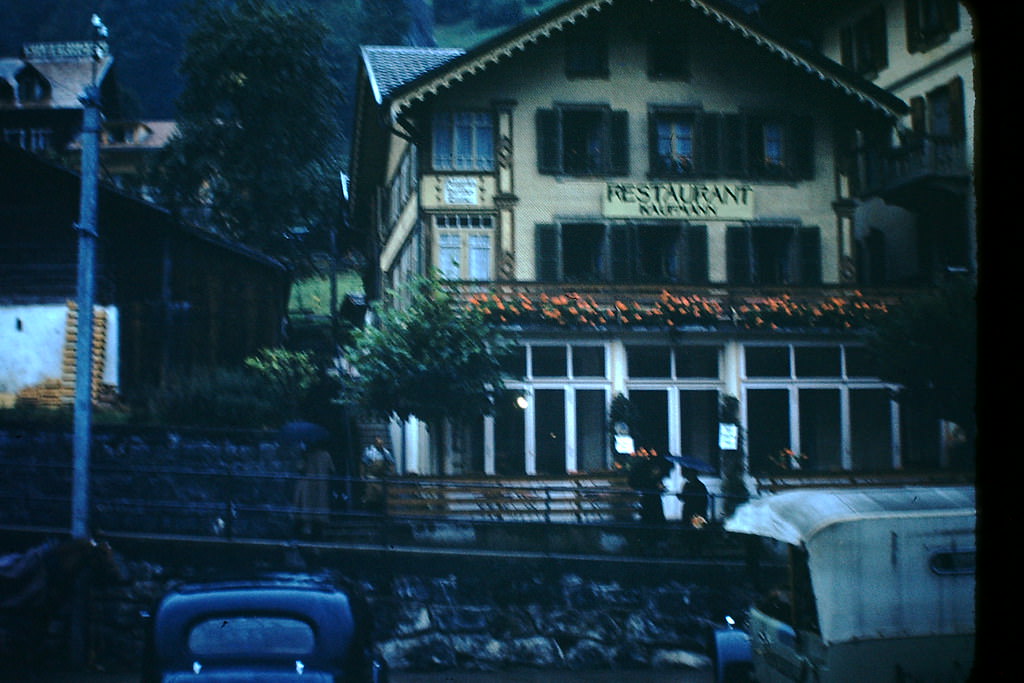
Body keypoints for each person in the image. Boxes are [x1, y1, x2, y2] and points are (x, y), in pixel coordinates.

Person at [292, 441, 335, 539]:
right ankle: (322, 529)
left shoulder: (307, 455)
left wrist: (303, 458)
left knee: (308, 504)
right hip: (322, 484)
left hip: (309, 483)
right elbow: (331, 469)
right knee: (321, 505)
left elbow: (300, 468)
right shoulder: (326, 455)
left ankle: (308, 527)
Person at [360, 437, 395, 512]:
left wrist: (390, 473)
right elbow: (363, 463)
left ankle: (380, 513)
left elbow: (391, 463)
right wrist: (362, 475)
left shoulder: (385, 452)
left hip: (381, 478)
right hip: (370, 478)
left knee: (381, 497)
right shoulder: (368, 451)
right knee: (370, 496)